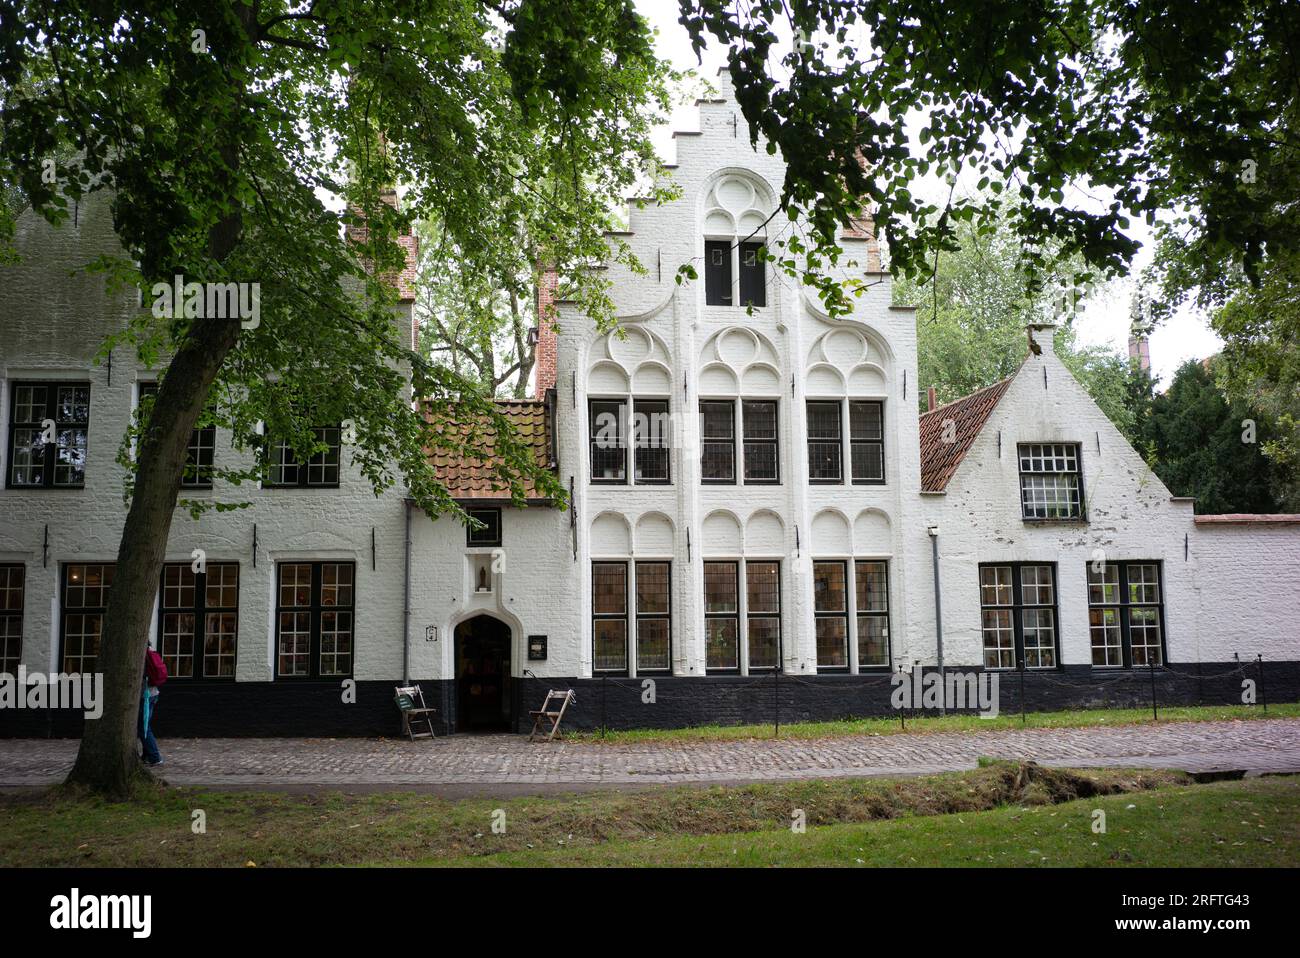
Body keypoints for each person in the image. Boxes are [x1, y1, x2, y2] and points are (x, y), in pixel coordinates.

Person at [139, 651, 163, 767]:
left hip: (146, 696)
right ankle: (147, 756)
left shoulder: (141, 655)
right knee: (145, 725)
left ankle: (154, 757)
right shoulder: (150, 653)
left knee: (143, 728)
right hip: (153, 693)